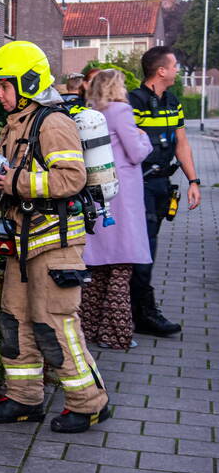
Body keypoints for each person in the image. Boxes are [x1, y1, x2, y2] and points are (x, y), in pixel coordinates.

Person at [0, 41, 110, 433]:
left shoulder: (53, 123)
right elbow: (8, 176)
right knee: (14, 321)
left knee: (55, 323)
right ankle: (24, 399)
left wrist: (14, 182)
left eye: (4, 86)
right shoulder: (17, 123)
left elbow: (72, 178)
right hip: (22, 240)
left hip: (56, 244)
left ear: (28, 82)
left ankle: (90, 403)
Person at [128, 46, 202, 337]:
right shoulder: (132, 103)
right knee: (144, 248)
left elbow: (181, 143)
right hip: (139, 184)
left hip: (161, 184)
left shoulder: (173, 101)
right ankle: (143, 313)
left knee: (150, 246)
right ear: (161, 71)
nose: (178, 70)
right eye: (174, 66)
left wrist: (194, 181)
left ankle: (138, 310)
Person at [79, 70, 153, 350]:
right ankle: (115, 333)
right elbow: (136, 152)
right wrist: (144, 138)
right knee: (122, 267)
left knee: (96, 270)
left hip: (96, 193)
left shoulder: (90, 112)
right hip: (122, 196)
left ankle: (87, 327)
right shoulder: (121, 110)